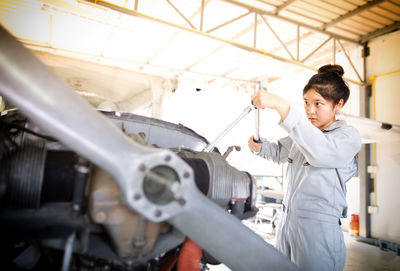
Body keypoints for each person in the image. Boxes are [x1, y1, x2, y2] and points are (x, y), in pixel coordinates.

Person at [248, 64, 361, 271]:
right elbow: (279, 152)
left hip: (318, 230)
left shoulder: (347, 137)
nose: (310, 110)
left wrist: (283, 107)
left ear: (338, 104)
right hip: (287, 222)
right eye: (306, 103)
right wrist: (259, 147)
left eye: (318, 104)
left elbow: (320, 153)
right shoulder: (303, 135)